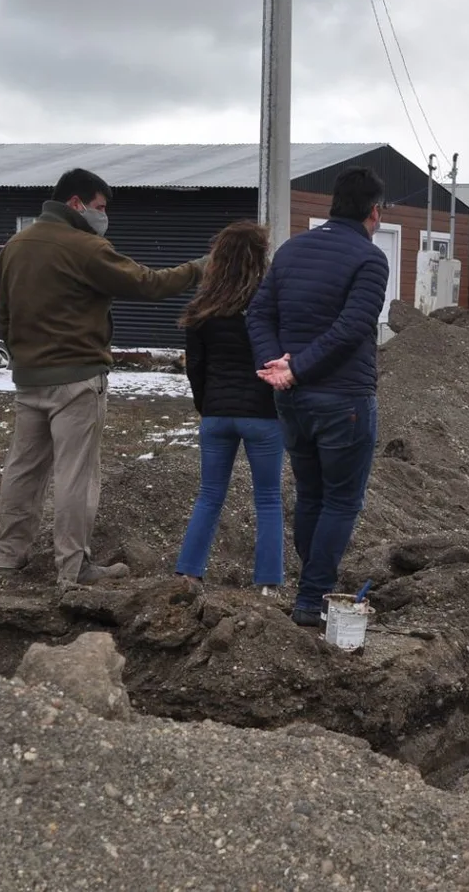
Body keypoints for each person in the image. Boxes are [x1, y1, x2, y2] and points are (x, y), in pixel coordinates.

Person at [0, 168, 207, 588]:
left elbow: (4, 313)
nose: (103, 215)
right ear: (77, 203)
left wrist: (22, 356)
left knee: (22, 471)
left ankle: (8, 559)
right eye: (101, 207)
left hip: (30, 377)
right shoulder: (84, 247)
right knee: (75, 473)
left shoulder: (14, 246)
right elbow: (147, 283)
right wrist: (199, 268)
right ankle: (73, 568)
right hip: (77, 378)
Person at [246, 166, 389, 628]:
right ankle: (311, 598)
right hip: (343, 400)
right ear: (374, 212)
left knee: (310, 494)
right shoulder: (369, 259)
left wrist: (278, 368)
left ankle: (312, 583)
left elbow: (259, 314)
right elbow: (353, 328)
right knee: (342, 501)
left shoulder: (291, 250)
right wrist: (294, 368)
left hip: (293, 400)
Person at [174, 221, 285, 595]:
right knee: (268, 498)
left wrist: (206, 405)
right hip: (263, 415)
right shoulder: (271, 306)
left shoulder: (202, 309)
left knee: (209, 494)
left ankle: (188, 573)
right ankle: (268, 583)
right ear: (260, 257)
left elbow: (196, 367)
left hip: (217, 413)